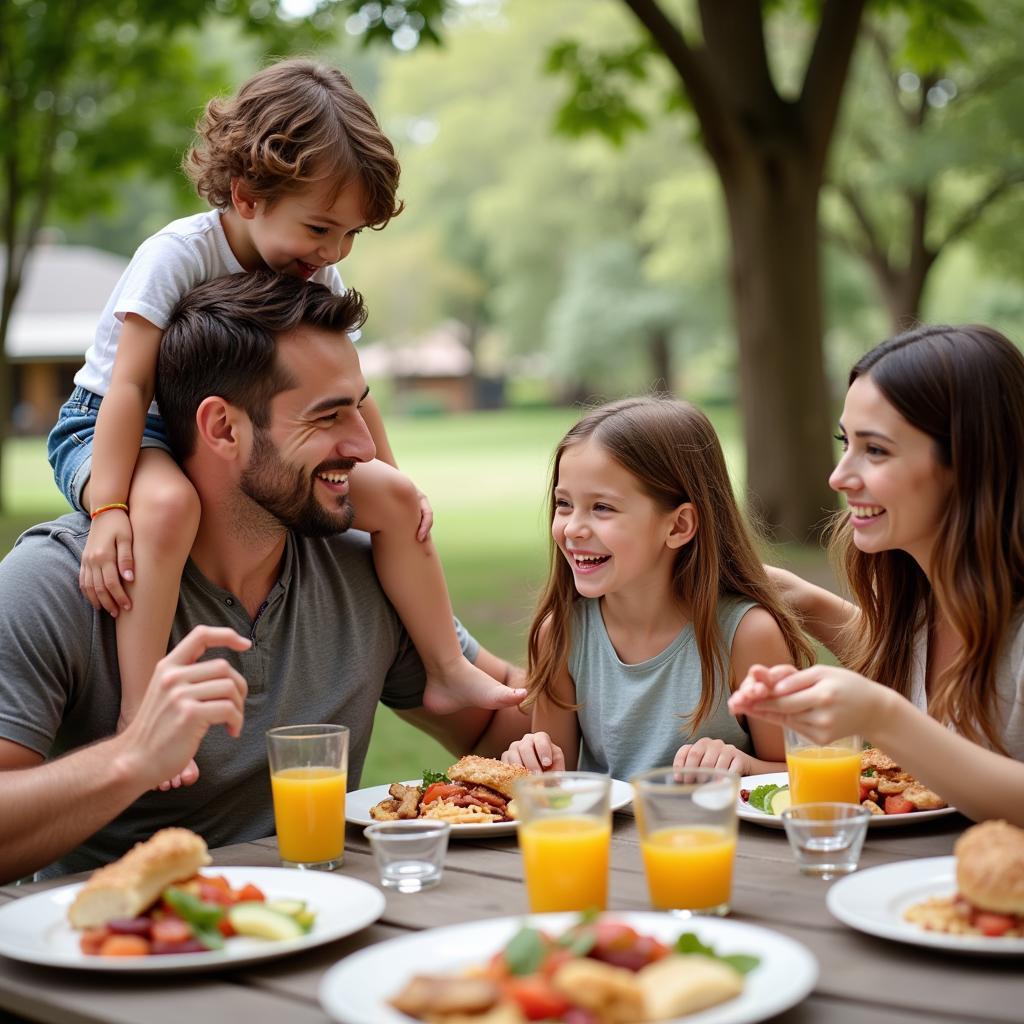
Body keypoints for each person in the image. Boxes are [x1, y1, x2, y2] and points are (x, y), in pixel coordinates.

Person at [46, 59, 523, 791]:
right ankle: (146, 717)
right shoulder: (175, 256)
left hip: (217, 430)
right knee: (167, 507)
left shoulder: (307, 271)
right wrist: (109, 507)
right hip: (112, 426)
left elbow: (353, 396)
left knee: (392, 502)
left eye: (351, 235)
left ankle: (448, 668)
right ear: (247, 195)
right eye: (321, 227)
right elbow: (129, 384)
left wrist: (390, 476)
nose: (333, 253)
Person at [0, 272, 526, 884]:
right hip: (130, 955)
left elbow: (496, 721)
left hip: (326, 939)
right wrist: (132, 757)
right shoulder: (55, 583)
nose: (364, 447)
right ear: (224, 428)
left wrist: (628, 625)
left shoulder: (360, 563)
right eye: (327, 417)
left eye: (360, 406)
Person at [729, 324, 1024, 827]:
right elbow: (908, 661)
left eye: (876, 450)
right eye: (846, 442)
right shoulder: (927, 599)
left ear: (968, 462)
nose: (839, 476)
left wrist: (882, 717)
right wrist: (800, 599)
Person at [500, 397, 813, 780]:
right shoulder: (562, 634)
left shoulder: (747, 636)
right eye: (564, 504)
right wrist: (534, 758)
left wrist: (745, 767)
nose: (572, 528)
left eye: (602, 507)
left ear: (679, 526)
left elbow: (798, 778)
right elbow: (553, 784)